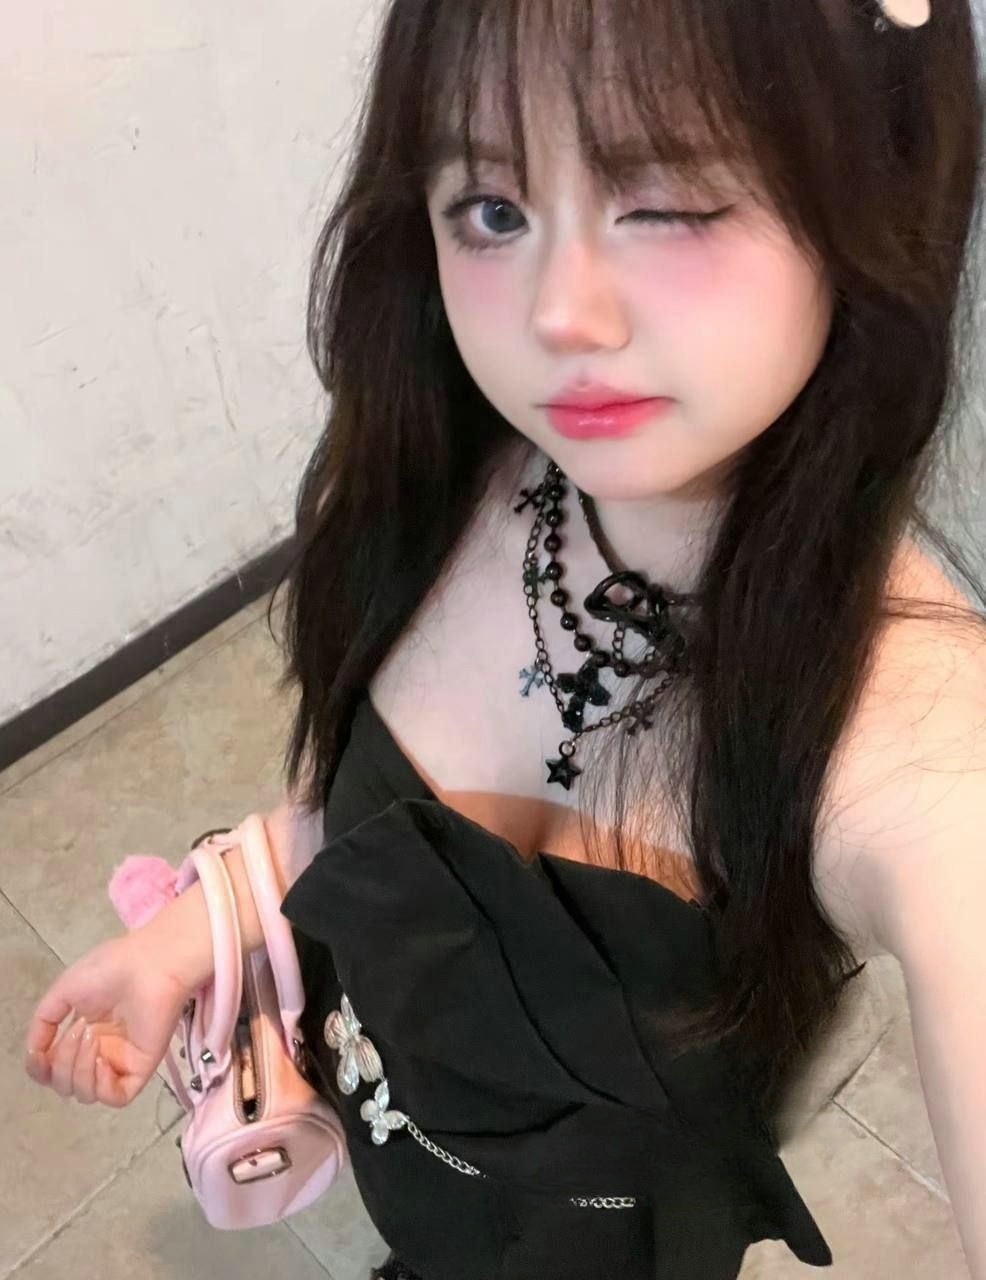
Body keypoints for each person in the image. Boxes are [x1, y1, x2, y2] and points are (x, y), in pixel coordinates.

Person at [22, 1, 986, 1276]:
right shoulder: (455, 467)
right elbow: (367, 817)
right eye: (491, 207)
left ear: (877, 183)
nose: (558, 313)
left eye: (669, 200)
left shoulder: (913, 742)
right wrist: (196, 929)